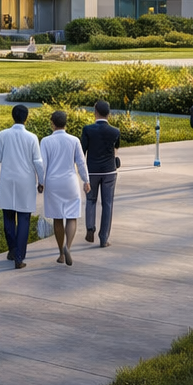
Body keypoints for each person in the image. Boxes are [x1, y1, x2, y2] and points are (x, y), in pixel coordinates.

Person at [0, 103, 45, 268]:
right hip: (26, 181)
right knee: (23, 218)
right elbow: (38, 162)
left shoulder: (3, 134)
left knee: (8, 216)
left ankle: (13, 249)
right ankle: (19, 257)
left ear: (13, 116)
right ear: (26, 118)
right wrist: (41, 181)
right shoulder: (31, 137)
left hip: (7, 179)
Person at [41, 110, 91, 266]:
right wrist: (86, 180)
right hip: (70, 182)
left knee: (57, 218)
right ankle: (68, 247)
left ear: (52, 123)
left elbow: (43, 165)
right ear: (65, 123)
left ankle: (61, 254)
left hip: (53, 183)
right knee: (71, 216)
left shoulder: (46, 141)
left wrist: (41, 183)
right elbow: (81, 162)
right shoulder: (74, 140)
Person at [81, 99, 122, 248]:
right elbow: (115, 149)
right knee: (108, 203)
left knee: (91, 200)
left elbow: (82, 151)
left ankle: (90, 227)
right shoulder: (115, 131)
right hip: (109, 171)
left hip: (92, 171)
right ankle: (104, 238)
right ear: (109, 113)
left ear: (95, 112)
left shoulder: (88, 129)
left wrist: (82, 172)